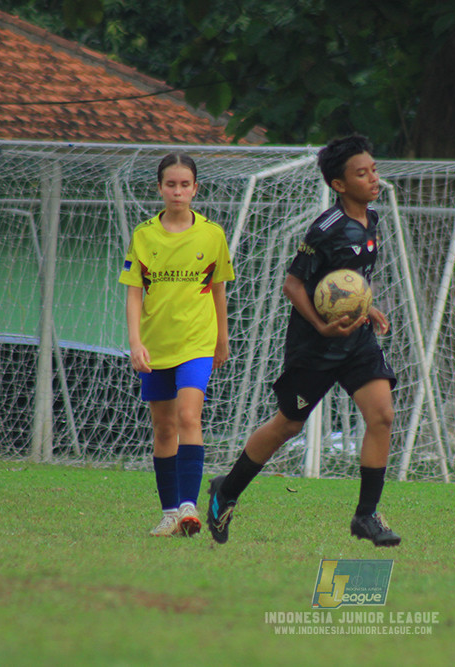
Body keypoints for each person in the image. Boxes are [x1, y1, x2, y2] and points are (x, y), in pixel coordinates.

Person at [207, 134, 401, 547]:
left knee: (382, 414)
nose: (373, 179)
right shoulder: (326, 228)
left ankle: (366, 516)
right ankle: (226, 491)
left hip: (357, 342)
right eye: (362, 173)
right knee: (287, 426)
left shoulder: (374, 221)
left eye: (374, 170)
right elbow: (294, 285)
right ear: (339, 185)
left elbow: (351, 284)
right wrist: (321, 324)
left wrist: (369, 308)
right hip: (315, 346)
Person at [119, 153, 234, 536]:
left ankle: (189, 506)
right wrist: (135, 343)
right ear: (160, 188)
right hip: (156, 345)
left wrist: (222, 338)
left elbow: (218, 290)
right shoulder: (144, 235)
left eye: (185, 185)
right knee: (164, 428)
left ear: (195, 189)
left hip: (196, 342)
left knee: (189, 418)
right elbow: (134, 294)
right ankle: (169, 512)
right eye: (171, 184)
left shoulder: (212, 235)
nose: (178, 191)